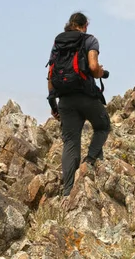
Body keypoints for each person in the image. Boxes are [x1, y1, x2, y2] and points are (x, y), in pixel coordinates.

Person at [46, 12, 111, 197]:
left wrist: (53, 105)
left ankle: (67, 192)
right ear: (85, 25)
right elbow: (92, 67)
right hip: (86, 96)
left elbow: (51, 75)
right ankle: (89, 162)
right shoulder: (90, 40)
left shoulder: (58, 44)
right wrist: (101, 73)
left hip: (65, 99)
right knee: (103, 126)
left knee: (70, 142)